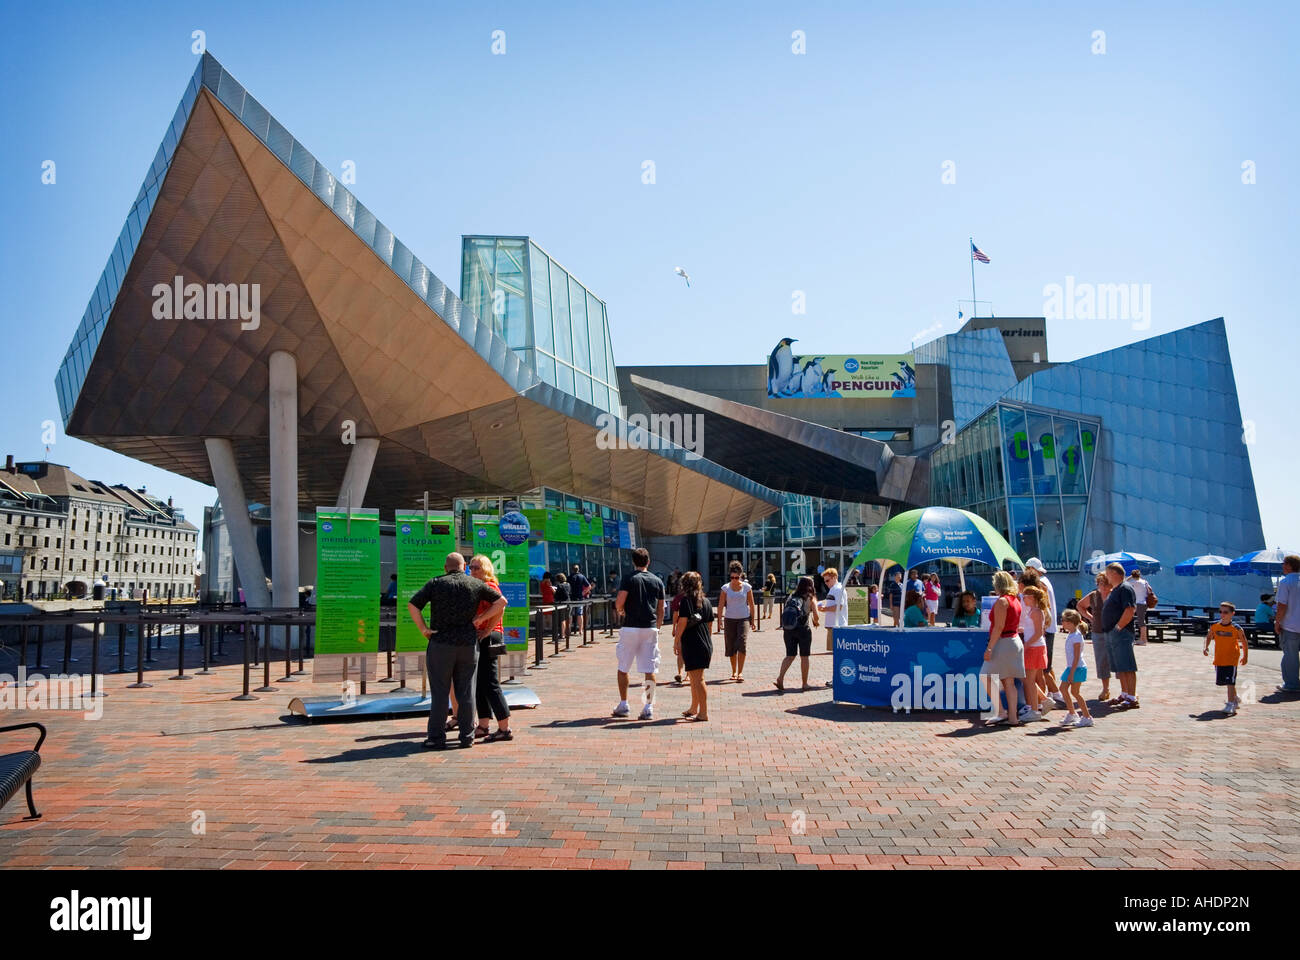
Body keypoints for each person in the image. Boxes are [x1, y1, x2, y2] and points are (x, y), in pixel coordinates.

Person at [407, 553, 506, 750]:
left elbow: (413, 604)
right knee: (467, 691)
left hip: (441, 643)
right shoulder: (475, 584)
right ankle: (467, 736)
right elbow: (501, 602)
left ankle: (436, 737)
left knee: (440, 693)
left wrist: (424, 629)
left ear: (445, 567)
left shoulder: (435, 583)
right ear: (463, 567)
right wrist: (481, 621)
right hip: (468, 645)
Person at [613, 547, 665, 719]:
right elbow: (661, 608)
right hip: (649, 627)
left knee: (623, 667)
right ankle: (648, 706)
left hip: (630, 626)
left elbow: (620, 602)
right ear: (648, 561)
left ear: (634, 562)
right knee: (650, 669)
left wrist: (621, 611)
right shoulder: (657, 581)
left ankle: (624, 704)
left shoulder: (628, 578)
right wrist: (657, 626)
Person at [469, 555, 512, 742]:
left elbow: (501, 606)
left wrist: (486, 628)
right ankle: (484, 724)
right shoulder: (478, 586)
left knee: (490, 682)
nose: (472, 570)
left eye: (477, 567)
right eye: (470, 567)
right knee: (479, 682)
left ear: (485, 568)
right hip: (483, 635)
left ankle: (504, 728)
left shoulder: (489, 586)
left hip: (489, 636)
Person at [982, 570, 1025, 726]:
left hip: (1004, 642)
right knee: (1009, 681)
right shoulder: (1015, 599)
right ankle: (1012, 718)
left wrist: (989, 648)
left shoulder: (1002, 601)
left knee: (985, 676)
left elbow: (998, 627)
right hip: (1014, 641)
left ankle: (1001, 711)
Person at [673, 571, 715, 720]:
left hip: (693, 642)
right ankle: (693, 708)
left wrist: (676, 641)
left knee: (698, 679)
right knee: (693, 677)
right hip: (704, 642)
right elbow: (710, 625)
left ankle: (703, 713)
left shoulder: (686, 601)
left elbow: (682, 623)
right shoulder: (706, 601)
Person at [1024, 558, 1063, 705]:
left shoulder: (1041, 584)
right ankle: (1052, 693)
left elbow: (1044, 607)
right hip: (1048, 628)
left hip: (1045, 629)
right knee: (1046, 666)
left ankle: (1056, 694)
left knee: (1043, 668)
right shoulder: (1045, 581)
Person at [1101, 562, 1139, 708]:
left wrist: (1118, 627)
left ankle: (1131, 697)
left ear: (1115, 574)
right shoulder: (1116, 589)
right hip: (1112, 632)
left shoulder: (1125, 588)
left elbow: (1129, 609)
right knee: (1120, 666)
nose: (1107, 577)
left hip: (1121, 633)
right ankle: (1124, 693)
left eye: (1108, 573)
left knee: (1127, 665)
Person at [775, 575, 819, 691]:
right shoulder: (810, 597)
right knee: (804, 657)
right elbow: (816, 616)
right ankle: (804, 683)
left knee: (790, 656)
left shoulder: (791, 596)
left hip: (789, 629)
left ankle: (780, 678)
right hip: (803, 630)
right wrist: (815, 621)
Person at [1204, 601, 1248, 714]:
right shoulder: (1214, 626)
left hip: (1232, 658)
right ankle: (1235, 698)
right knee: (1227, 682)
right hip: (1219, 658)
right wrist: (1206, 647)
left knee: (1230, 682)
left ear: (1232, 613)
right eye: (1221, 612)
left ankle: (1230, 705)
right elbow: (1209, 636)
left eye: (1225, 612)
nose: (1222, 614)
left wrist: (1245, 656)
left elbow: (1244, 641)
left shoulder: (1236, 628)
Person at [717, 560, 756, 682]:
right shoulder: (725, 588)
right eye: (732, 577)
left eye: (737, 577)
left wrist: (752, 620)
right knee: (731, 645)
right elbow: (720, 605)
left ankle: (740, 672)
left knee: (742, 643)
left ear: (741, 576)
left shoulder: (746, 587)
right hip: (729, 619)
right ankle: (733, 671)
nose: (734, 579)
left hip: (743, 618)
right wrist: (719, 620)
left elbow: (752, 604)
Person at [1077, 573, 1113, 702]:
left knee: (1118, 661)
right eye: (1099, 584)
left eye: (1104, 584)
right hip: (1098, 631)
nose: (1101, 587)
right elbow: (1080, 606)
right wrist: (1091, 618)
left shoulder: (1114, 594)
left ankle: (1125, 690)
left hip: (1114, 631)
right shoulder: (1094, 596)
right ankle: (1106, 688)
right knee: (1102, 661)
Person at [1057, 609, 1093, 727]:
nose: (1062, 623)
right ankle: (1072, 713)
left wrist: (1072, 673)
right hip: (1071, 667)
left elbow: (1077, 657)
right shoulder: (1071, 634)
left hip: (1077, 668)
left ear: (1071, 623)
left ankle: (1087, 717)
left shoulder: (1077, 636)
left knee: (1075, 692)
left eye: (1064, 621)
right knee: (1063, 689)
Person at [1020, 584, 1051, 714]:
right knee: (1028, 679)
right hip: (1034, 646)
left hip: (1035, 647)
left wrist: (1026, 645)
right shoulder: (1032, 611)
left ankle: (1034, 709)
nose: (1023, 599)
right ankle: (1043, 700)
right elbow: (1032, 629)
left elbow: (1038, 632)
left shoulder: (1036, 612)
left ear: (1031, 597)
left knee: (1030, 680)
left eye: (1024, 597)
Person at [1277, 555, 1300, 692]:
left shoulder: (1286, 582)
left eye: (1284, 563)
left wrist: (1277, 621)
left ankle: (1292, 684)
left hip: (1290, 625)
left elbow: (1282, 605)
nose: (1282, 566)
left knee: (1290, 656)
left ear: (1290, 566)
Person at [818, 567, 847, 648]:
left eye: (827, 580)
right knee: (834, 653)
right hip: (833, 625)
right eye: (825, 581)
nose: (826, 583)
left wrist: (824, 609)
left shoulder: (837, 589)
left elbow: (839, 607)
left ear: (834, 577)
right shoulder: (833, 589)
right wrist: (824, 608)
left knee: (836, 653)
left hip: (837, 626)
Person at [1128, 568, 1154, 646]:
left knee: (1130, 620)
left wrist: (1129, 577)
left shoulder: (1130, 582)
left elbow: (1122, 582)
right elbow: (1150, 590)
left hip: (1134, 603)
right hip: (1143, 603)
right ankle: (1143, 639)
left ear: (1132, 575)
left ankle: (1139, 639)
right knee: (1142, 621)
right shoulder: (1144, 582)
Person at [670, 578, 687, 683]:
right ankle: (681, 673)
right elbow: (675, 613)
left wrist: (673, 628)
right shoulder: (679, 598)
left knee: (683, 651)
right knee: (682, 651)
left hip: (685, 627)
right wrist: (673, 628)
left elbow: (676, 614)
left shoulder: (679, 598)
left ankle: (685, 673)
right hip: (683, 626)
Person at [570, 564, 591, 636]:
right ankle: (580, 630)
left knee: (570, 614)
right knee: (580, 614)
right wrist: (583, 592)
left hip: (571, 598)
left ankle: (569, 630)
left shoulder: (570, 577)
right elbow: (589, 586)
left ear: (572, 569)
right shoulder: (582, 576)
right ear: (578, 569)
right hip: (580, 598)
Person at [552, 571, 571, 638]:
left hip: (562, 603)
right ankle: (568, 633)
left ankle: (562, 634)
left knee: (562, 619)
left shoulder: (559, 586)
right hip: (568, 603)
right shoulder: (568, 584)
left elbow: (556, 596)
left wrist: (553, 591)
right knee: (567, 618)